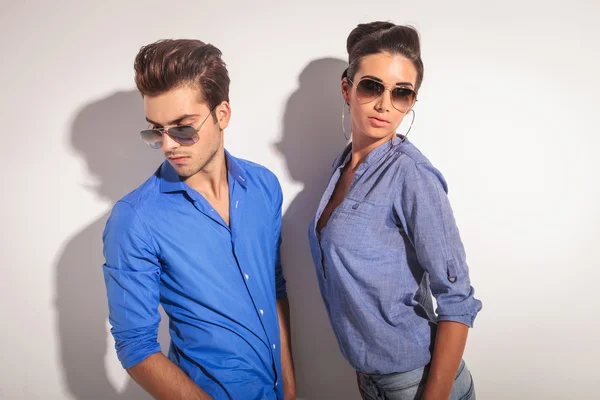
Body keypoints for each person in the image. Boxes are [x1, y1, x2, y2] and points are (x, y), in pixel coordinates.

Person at [101, 39, 296, 400]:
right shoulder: (134, 220)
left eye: (183, 128)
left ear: (222, 114)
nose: (168, 145)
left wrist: (290, 388)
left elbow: (274, 289)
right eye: (156, 130)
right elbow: (136, 347)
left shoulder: (264, 187)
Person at [308, 22, 483, 400]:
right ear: (346, 88)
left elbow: (457, 299)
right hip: (370, 379)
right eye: (372, 86)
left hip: (418, 381)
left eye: (401, 93)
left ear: (411, 102)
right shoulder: (343, 166)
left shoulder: (412, 175)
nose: (385, 104)